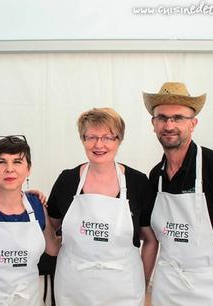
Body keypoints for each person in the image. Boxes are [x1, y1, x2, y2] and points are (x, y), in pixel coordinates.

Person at [142, 82, 213, 306]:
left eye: (178, 118)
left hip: (212, 288)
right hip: (166, 286)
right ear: (153, 124)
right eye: (162, 118)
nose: (169, 125)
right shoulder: (156, 176)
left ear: (193, 123)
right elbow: (152, 239)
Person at [47, 107, 159, 306]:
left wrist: (143, 281)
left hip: (124, 289)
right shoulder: (67, 180)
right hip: (73, 288)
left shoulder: (137, 182)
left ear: (119, 140)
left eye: (108, 137)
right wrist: (34, 205)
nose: (99, 144)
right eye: (91, 137)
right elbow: (50, 228)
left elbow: (150, 239)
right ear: (82, 139)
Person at [0, 135, 60, 306]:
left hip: (27, 299)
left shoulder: (37, 206)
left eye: (17, 162)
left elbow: (53, 248)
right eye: (2, 162)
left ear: (28, 169)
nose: (10, 169)